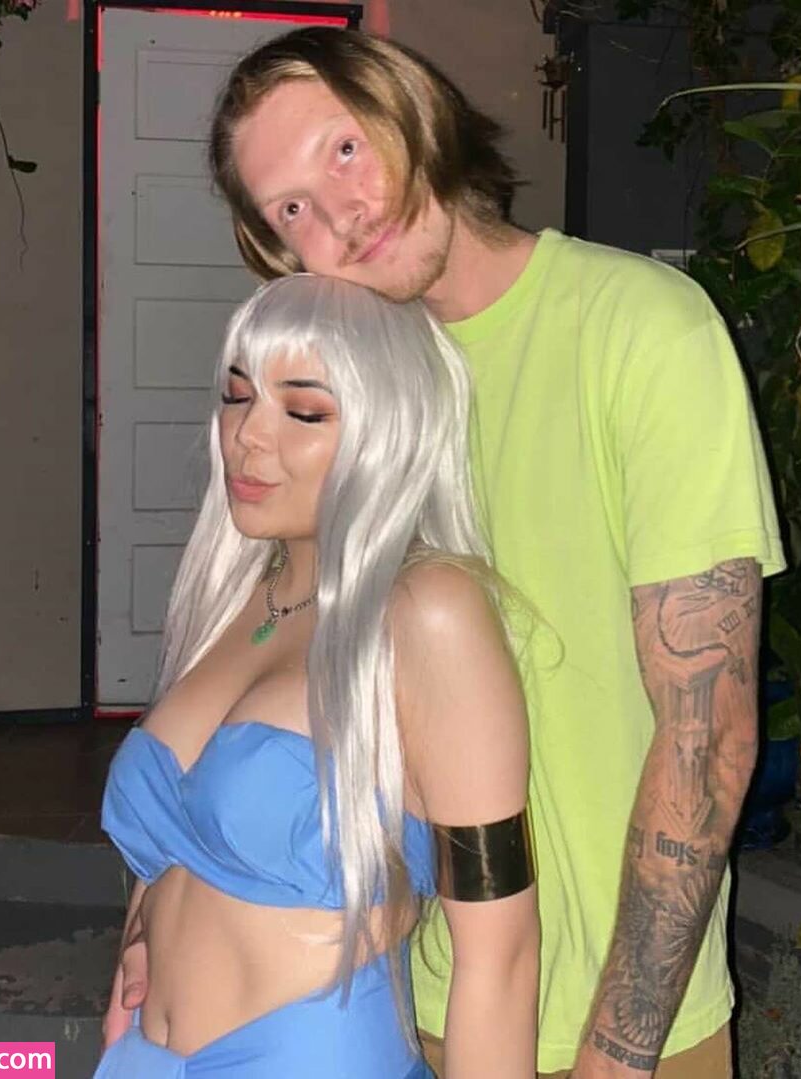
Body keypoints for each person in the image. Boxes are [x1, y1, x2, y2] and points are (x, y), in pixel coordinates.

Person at [106, 27, 787, 1078]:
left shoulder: (640, 327)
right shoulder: (342, 393)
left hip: (609, 1018)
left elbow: (708, 736)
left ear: (410, 109)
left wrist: (617, 1052)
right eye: (291, 209)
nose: (339, 214)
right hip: (377, 998)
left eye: (343, 150)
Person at [96, 274, 538, 1078]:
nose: (247, 436)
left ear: (389, 428)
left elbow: (499, 954)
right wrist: (139, 938)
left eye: (303, 411)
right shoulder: (232, 596)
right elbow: (174, 843)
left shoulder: (428, 612)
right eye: (238, 396)